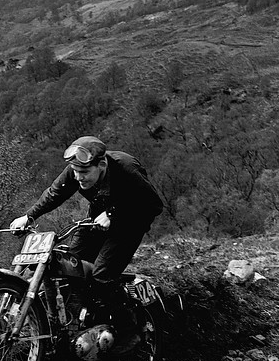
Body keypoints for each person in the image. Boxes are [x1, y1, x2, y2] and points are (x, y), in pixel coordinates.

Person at [9, 135, 164, 348]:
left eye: (84, 173)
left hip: (131, 221)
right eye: (75, 172)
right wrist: (29, 216)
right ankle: (84, 322)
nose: (78, 177)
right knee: (71, 266)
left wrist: (114, 214)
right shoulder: (76, 170)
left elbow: (154, 204)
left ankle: (129, 330)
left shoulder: (126, 169)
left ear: (101, 165)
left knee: (102, 276)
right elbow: (55, 192)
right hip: (98, 217)